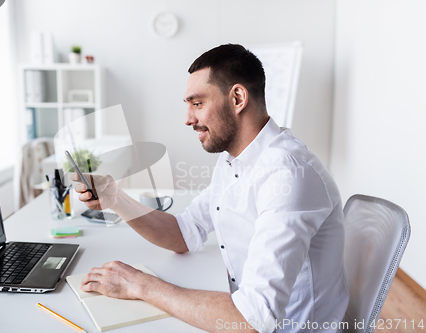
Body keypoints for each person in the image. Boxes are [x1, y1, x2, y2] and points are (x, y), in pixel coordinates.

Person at [72, 44, 349, 333]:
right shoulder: (233, 160)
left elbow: (253, 320)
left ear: (238, 98)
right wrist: (115, 198)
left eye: (198, 103)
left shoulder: (288, 175)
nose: (188, 118)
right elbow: (184, 232)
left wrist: (141, 285)